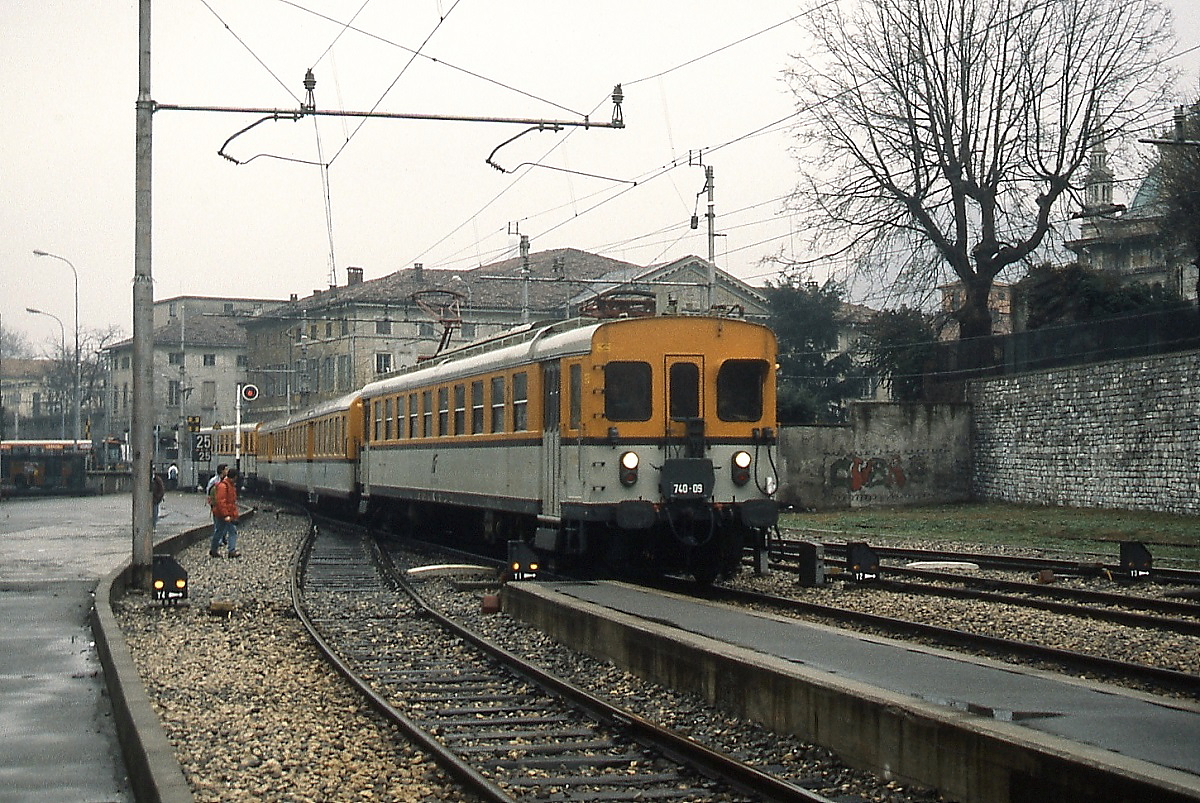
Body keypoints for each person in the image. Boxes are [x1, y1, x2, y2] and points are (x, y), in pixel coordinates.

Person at [211, 467, 240, 558]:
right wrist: (226, 515)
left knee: (219, 532)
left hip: (224, 513)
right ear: (234, 477)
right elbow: (221, 502)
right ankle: (231, 551)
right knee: (231, 531)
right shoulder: (224, 486)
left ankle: (214, 550)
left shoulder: (228, 485)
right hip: (224, 514)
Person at [206, 464, 228, 547]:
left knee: (224, 522)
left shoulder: (227, 480)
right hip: (215, 503)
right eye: (225, 469)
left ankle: (222, 537)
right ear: (222, 471)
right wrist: (210, 501)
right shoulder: (214, 481)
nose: (227, 471)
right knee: (217, 522)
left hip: (224, 503)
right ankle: (218, 541)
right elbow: (208, 490)